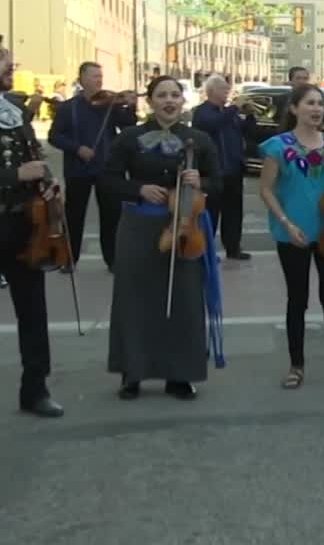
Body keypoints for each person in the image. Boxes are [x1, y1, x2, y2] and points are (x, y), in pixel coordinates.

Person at [103, 76, 222, 400]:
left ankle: (180, 375)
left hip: (185, 227)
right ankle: (132, 373)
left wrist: (203, 182)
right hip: (139, 227)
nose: (169, 100)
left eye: (174, 95)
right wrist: (137, 188)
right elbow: (107, 178)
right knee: (135, 301)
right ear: (150, 101)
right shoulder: (130, 137)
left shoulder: (199, 139)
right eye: (161, 95)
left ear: (182, 101)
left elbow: (221, 181)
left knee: (183, 302)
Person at [259, 84, 324, 389]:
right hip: (293, 232)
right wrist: (286, 223)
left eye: (320, 103)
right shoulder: (278, 146)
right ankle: (296, 366)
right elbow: (265, 189)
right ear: (294, 108)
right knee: (297, 299)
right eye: (310, 103)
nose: (316, 109)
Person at [0, 55, 63, 417]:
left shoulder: (13, 108)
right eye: (5, 64)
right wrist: (15, 176)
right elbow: (19, 168)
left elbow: (34, 155)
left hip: (24, 225)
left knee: (34, 313)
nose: (12, 69)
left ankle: (36, 390)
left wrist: (48, 182)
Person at [48, 61, 137, 271]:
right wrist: (77, 148)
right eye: (94, 76)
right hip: (78, 169)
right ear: (82, 80)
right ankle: (70, 258)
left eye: (100, 76)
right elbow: (55, 136)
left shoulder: (110, 104)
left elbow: (128, 125)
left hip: (106, 169)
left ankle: (113, 259)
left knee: (111, 215)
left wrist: (130, 105)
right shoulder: (69, 108)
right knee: (74, 215)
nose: (99, 80)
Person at [191, 75, 255, 260]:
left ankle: (233, 248)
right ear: (212, 91)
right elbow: (213, 124)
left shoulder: (229, 113)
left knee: (234, 213)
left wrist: (250, 115)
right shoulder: (202, 112)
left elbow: (246, 131)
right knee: (210, 214)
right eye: (223, 89)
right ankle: (206, 251)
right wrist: (235, 107)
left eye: (228, 89)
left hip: (234, 170)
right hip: (213, 172)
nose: (227, 92)